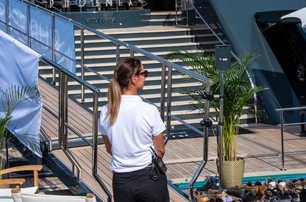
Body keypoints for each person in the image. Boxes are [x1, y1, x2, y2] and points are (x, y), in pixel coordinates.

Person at [98, 57, 169, 202]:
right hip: (148, 178)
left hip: (121, 181)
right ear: (134, 78)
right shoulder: (149, 110)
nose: (146, 77)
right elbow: (160, 150)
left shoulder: (106, 111)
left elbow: (110, 148)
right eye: (144, 73)